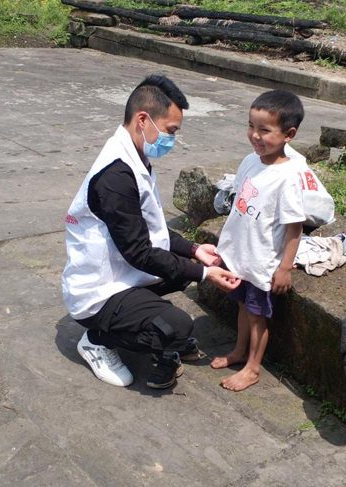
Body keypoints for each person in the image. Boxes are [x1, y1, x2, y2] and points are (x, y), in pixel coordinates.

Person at [62, 75, 240, 389]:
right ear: (143, 120)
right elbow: (139, 252)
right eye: (170, 131)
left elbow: (151, 228)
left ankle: (136, 321)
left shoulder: (135, 156)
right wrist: (204, 274)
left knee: (184, 268)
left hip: (121, 271)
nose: (171, 139)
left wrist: (194, 250)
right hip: (97, 293)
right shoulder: (116, 176)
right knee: (177, 326)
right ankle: (98, 340)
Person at [211, 90, 307, 392]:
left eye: (264, 130)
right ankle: (240, 352)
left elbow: (294, 228)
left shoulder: (287, 177)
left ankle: (253, 368)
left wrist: (285, 268)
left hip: (262, 263)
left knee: (257, 317)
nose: (255, 135)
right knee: (243, 307)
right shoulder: (250, 161)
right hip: (241, 257)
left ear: (289, 134)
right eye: (251, 126)